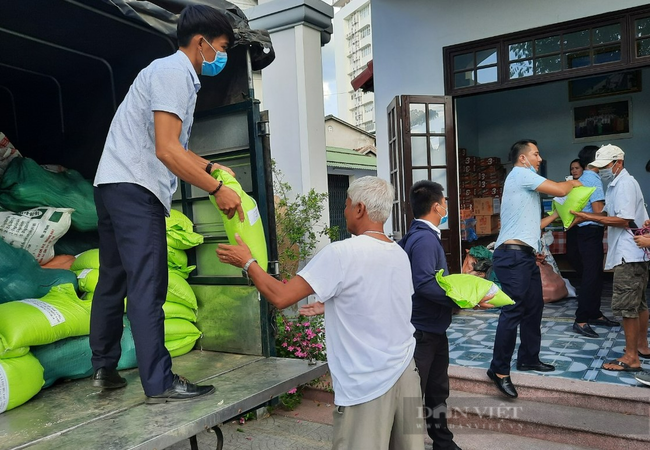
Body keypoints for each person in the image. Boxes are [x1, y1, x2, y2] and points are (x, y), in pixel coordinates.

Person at [91, 5, 244, 403]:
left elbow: (176, 147)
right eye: (222, 47)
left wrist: (209, 164)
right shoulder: (175, 73)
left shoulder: (164, 73)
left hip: (112, 183)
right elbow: (166, 151)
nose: (221, 56)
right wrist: (215, 188)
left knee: (114, 279)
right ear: (202, 43)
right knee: (148, 285)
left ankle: (104, 368)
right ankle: (159, 383)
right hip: (137, 187)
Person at [217, 176, 424, 450]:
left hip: (367, 384)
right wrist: (332, 305)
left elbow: (280, 296)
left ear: (360, 209)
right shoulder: (398, 253)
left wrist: (248, 263)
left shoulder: (342, 253)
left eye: (347, 205)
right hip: (407, 372)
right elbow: (383, 300)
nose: (345, 211)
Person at [399, 181, 493, 450]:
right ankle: (409, 444)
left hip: (434, 329)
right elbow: (425, 283)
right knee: (415, 394)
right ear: (437, 206)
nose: (448, 207)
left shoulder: (421, 235)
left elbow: (437, 280)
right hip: (422, 331)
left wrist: (464, 286)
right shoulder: (424, 239)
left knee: (437, 390)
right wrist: (465, 299)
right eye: (446, 202)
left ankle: (442, 442)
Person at [487, 139, 581, 399]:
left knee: (533, 308)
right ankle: (499, 370)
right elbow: (560, 190)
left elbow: (534, 223)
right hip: (511, 256)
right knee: (513, 311)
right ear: (523, 158)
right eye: (536, 154)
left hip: (524, 256)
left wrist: (557, 216)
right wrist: (575, 181)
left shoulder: (525, 184)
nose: (540, 159)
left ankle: (528, 358)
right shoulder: (520, 174)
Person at [572, 144, 650, 373]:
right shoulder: (615, 185)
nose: (603, 170)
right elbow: (608, 213)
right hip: (629, 251)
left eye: (605, 166)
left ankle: (631, 357)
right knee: (639, 304)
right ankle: (642, 347)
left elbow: (624, 219)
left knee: (627, 307)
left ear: (618, 163)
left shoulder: (625, 184)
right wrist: (583, 216)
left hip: (629, 252)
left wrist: (588, 216)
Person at [566, 146, 619, 339]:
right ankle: (581, 320)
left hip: (583, 232)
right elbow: (598, 212)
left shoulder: (582, 178)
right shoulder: (593, 179)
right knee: (591, 276)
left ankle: (594, 314)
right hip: (590, 231)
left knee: (595, 275)